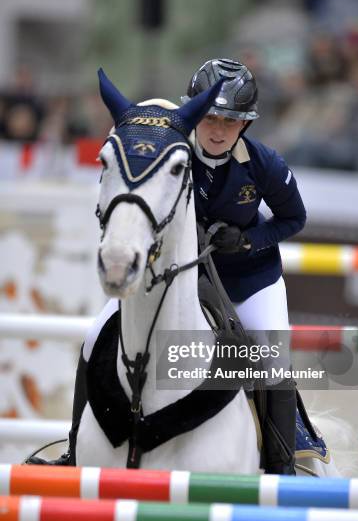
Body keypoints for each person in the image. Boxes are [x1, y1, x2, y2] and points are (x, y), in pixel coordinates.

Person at [27, 58, 306, 475]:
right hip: (178, 280)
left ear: (245, 125)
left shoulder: (264, 164)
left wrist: (247, 240)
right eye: (210, 117)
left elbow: (294, 219)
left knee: (272, 360)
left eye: (229, 122)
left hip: (248, 281)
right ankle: (75, 451)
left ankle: (285, 464)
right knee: (91, 340)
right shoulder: (171, 152)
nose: (216, 130)